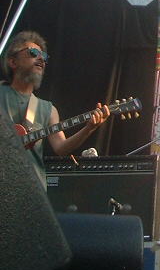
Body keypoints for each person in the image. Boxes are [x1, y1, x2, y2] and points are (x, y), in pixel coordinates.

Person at [0, 30, 110, 185]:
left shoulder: (48, 109)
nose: (41, 59)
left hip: (31, 187)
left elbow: (61, 148)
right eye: (33, 53)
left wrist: (89, 128)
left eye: (44, 57)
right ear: (13, 62)